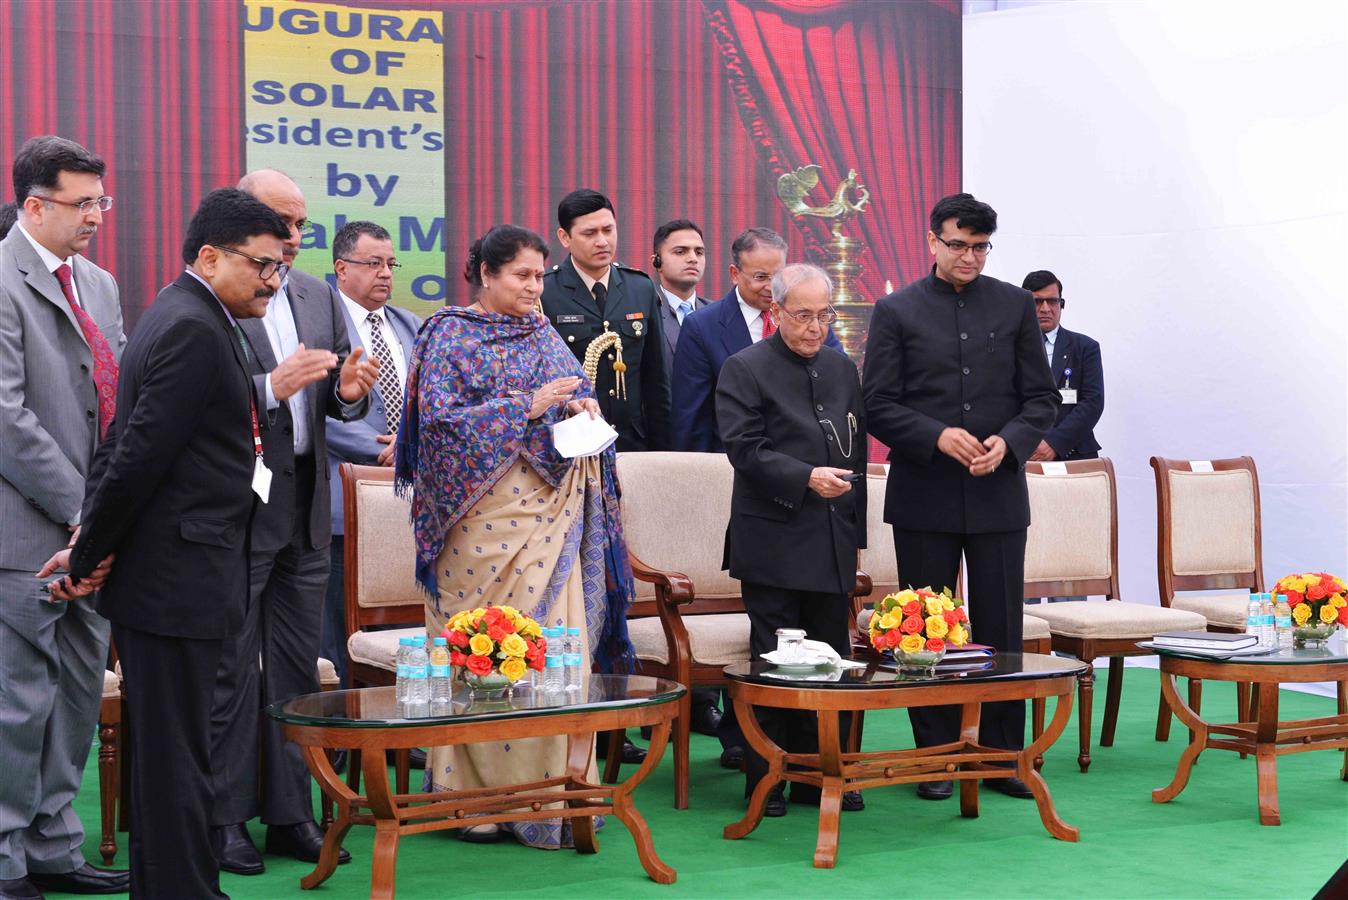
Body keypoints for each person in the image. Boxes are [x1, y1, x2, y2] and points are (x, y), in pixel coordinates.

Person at [39, 188, 291, 899]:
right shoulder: (192, 326)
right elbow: (137, 455)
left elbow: (124, 443)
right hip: (179, 577)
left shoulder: (193, 314)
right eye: (262, 267)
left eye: (280, 268)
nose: (273, 283)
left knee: (172, 752)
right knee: (177, 755)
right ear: (209, 257)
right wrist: (88, 555)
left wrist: (91, 538)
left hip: (180, 571)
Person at [395, 224, 636, 846]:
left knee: (553, 651)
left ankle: (547, 794)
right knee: (478, 652)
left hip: (548, 515)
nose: (535, 287)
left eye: (539, 275)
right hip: (474, 527)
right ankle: (471, 798)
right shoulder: (450, 332)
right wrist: (526, 406)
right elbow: (438, 425)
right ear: (486, 274)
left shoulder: (541, 330)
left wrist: (581, 407)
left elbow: (572, 392)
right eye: (523, 276)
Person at [862, 193, 1058, 801]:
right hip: (926, 488)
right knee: (924, 628)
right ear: (932, 242)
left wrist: (1012, 441)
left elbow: (1042, 400)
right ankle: (937, 757)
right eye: (958, 245)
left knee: (1001, 624)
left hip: (998, 487)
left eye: (980, 247)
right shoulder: (896, 310)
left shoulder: (1015, 304)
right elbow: (877, 404)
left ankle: (1003, 757)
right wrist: (936, 435)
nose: (970, 257)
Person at [211, 169, 376, 875]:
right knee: (230, 671)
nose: (294, 237)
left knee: (293, 671)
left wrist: (345, 394)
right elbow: (200, 393)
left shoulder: (314, 294)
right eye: (281, 222)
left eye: (302, 224)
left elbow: (335, 403)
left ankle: (291, 814)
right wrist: (264, 389)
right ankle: (223, 820)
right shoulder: (217, 290)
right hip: (239, 512)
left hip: (305, 506)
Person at [0, 135, 129, 899]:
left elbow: (118, 409)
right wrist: (84, 510)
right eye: (83, 205)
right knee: (19, 703)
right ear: (34, 204)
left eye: (101, 202)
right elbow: (7, 417)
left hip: (93, 535)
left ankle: (54, 843)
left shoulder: (101, 285)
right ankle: (6, 853)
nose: (96, 218)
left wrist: (105, 517)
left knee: (78, 696)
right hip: (26, 532)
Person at [715, 263, 867, 818]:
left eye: (824, 315)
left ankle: (824, 775)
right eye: (802, 315)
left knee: (833, 659)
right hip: (774, 537)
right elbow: (745, 448)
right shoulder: (745, 368)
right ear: (775, 312)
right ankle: (767, 779)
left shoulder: (841, 367)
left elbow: (854, 454)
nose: (815, 327)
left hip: (832, 537)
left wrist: (857, 537)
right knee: (777, 662)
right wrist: (805, 477)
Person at [321, 221, 421, 694]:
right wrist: (381, 449)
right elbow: (310, 407)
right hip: (342, 499)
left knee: (401, 623)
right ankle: (341, 728)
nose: (385, 274)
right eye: (373, 263)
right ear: (341, 269)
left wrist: (414, 445)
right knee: (337, 626)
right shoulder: (318, 322)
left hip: (408, 502)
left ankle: (402, 729)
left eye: (390, 264)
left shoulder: (410, 325)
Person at [673, 228, 844, 452]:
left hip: (806, 464)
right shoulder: (702, 327)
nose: (771, 287)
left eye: (779, 275)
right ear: (735, 274)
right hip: (734, 464)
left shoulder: (810, 318)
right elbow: (692, 420)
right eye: (761, 277)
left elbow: (837, 380)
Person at [541, 188, 671, 454]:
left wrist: (662, 448)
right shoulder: (545, 292)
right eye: (590, 233)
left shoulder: (640, 287)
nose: (602, 241)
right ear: (564, 237)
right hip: (573, 442)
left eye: (608, 230)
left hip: (631, 442)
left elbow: (656, 379)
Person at [1023, 270, 1104, 462]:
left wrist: (1054, 443)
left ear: (1061, 304)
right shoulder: (1008, 347)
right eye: (1037, 301)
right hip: (1024, 455)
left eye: (1052, 301)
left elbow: (1092, 403)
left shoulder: (1085, 348)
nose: (1045, 308)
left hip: (1074, 454)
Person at [651, 218, 710, 383]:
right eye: (680, 251)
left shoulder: (719, 314)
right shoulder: (645, 313)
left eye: (699, 252)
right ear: (657, 262)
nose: (693, 258)